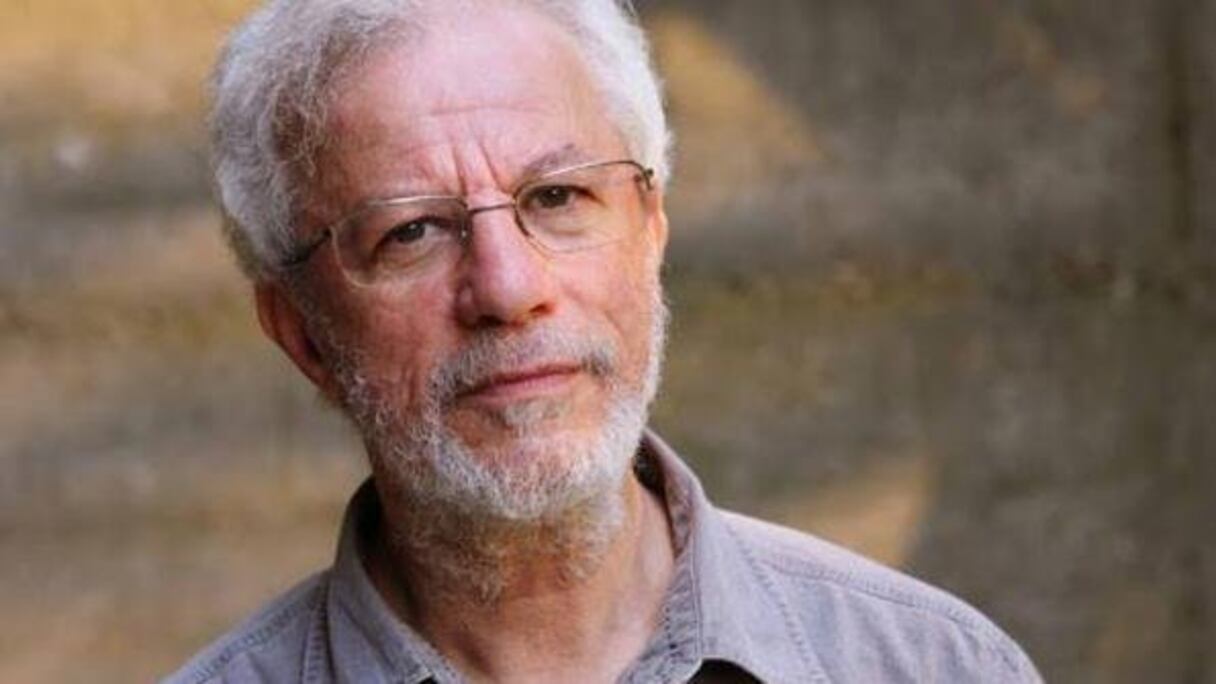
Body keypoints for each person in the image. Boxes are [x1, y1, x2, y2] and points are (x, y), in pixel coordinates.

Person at [168, 1, 1042, 682]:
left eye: (557, 197)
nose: (508, 289)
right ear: (303, 335)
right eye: (412, 232)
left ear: (651, 228)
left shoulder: (933, 666)